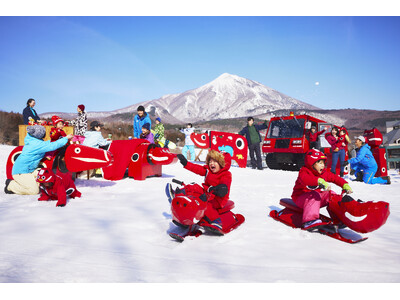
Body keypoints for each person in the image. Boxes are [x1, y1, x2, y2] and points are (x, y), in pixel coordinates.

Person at [172, 150, 232, 234]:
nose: (211, 163)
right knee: (194, 187)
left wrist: (221, 189)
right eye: (210, 161)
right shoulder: (208, 171)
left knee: (205, 204)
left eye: (215, 161)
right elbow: (197, 168)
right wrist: (186, 163)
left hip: (218, 198)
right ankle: (179, 194)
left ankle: (216, 221)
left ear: (222, 163)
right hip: (206, 193)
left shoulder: (226, 174)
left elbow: (225, 185)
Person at [291, 148, 353, 231]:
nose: (323, 165)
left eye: (323, 163)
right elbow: (306, 179)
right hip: (300, 198)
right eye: (320, 163)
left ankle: (338, 217)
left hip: (315, 200)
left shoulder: (323, 173)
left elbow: (334, 178)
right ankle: (310, 221)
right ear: (311, 163)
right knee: (315, 194)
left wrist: (344, 184)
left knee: (331, 194)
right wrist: (318, 181)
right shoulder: (304, 171)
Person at [5, 125, 73, 195]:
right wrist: (66, 139)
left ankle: (59, 186)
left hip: (29, 170)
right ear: (40, 135)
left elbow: (48, 143)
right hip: (21, 172)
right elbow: (52, 146)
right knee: (34, 191)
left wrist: (60, 140)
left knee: (46, 176)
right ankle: (10, 185)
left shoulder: (32, 140)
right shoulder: (37, 144)